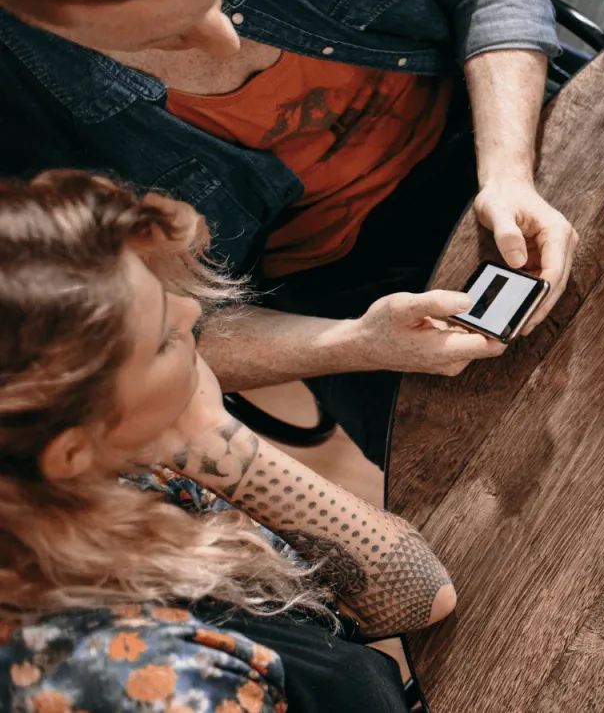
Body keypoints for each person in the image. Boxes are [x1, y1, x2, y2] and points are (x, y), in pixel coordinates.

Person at [0, 0, 577, 469]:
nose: (225, 41)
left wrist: (507, 171)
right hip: (342, 285)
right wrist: (357, 343)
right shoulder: (15, 104)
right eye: (158, 38)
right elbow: (145, 339)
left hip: (495, 123)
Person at [0, 170, 453, 713]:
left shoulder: (126, 463)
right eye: (165, 339)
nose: (193, 317)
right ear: (71, 450)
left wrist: (207, 434)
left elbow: (417, 596)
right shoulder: (157, 684)